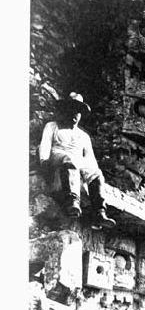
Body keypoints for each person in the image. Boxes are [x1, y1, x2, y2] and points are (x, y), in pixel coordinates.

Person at [39, 92, 116, 228]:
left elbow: (90, 158)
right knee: (69, 160)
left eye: (78, 112)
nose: (75, 114)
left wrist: (92, 171)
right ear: (66, 110)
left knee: (96, 173)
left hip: (77, 161)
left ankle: (100, 211)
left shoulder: (83, 136)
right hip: (59, 155)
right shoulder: (53, 126)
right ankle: (72, 201)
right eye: (72, 110)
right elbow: (45, 144)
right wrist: (44, 161)